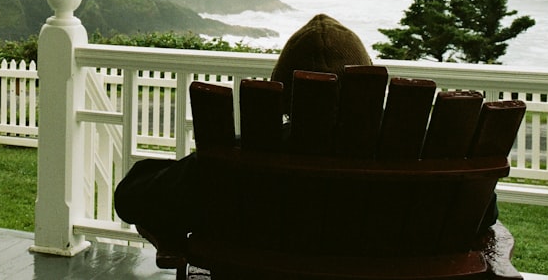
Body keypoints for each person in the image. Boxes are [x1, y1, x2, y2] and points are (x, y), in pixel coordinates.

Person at [113, 13, 373, 268]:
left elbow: (130, 198)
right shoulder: (403, 157)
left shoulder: (239, 158)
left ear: (282, 89)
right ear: (367, 87)